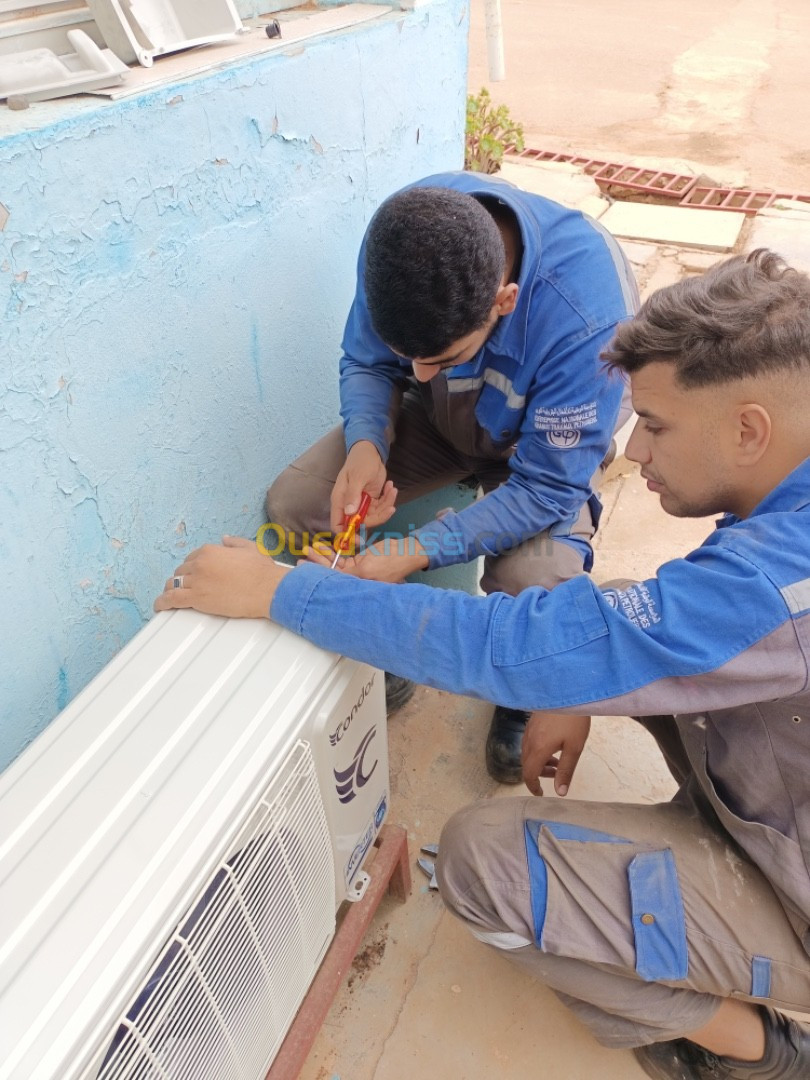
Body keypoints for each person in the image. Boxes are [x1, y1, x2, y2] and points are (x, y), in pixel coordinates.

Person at [157, 248, 810, 1078]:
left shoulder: (775, 585)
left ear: (750, 428)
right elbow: (620, 630)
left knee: (478, 863)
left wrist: (283, 593)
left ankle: (757, 1051)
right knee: (611, 606)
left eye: (656, 423)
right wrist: (579, 689)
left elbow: (515, 634)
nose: (635, 451)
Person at [263, 171, 638, 782]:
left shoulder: (587, 318)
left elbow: (546, 488)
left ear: (504, 301)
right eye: (411, 356)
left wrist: (416, 551)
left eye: (441, 358)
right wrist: (367, 442)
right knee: (298, 500)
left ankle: (520, 693)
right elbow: (366, 360)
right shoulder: (401, 243)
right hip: (441, 427)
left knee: (534, 577)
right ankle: (371, 641)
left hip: (542, 453)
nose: (420, 373)